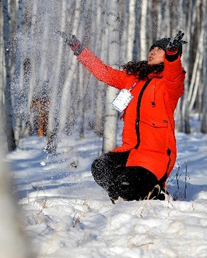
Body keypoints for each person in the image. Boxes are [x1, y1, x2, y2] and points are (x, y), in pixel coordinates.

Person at [58, 31, 186, 202]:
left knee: (127, 184)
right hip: (130, 150)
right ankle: (120, 194)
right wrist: (79, 50)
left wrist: (172, 55)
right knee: (100, 167)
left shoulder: (170, 85)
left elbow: (174, 74)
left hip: (155, 156)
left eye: (159, 49)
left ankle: (151, 193)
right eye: (152, 48)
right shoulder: (133, 79)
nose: (152, 52)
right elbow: (104, 73)